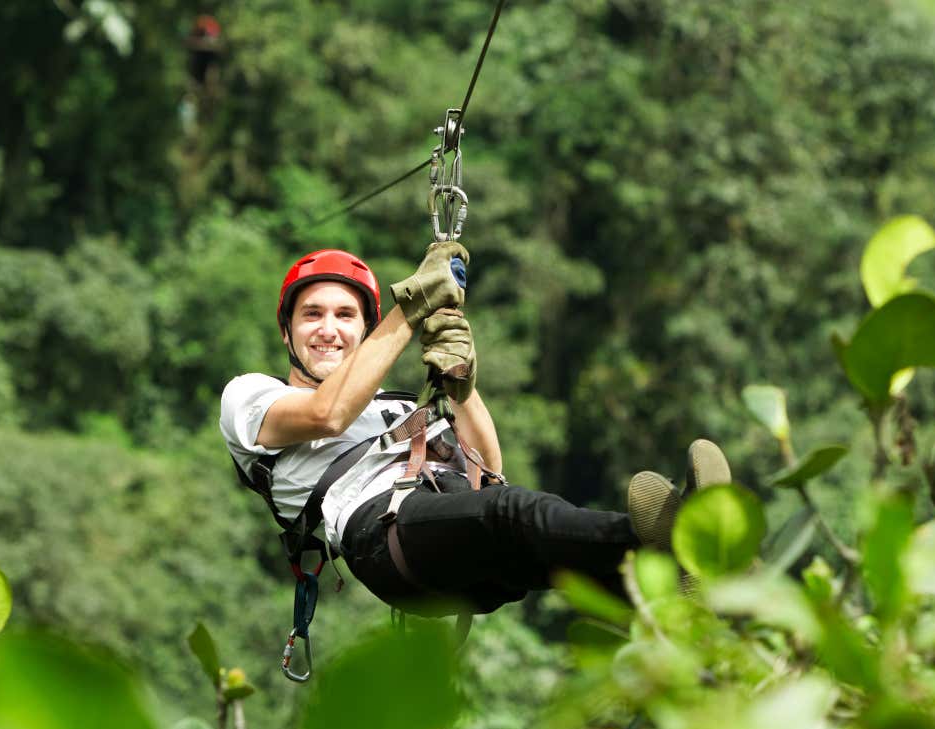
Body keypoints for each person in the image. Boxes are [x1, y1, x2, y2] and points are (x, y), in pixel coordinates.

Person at [220, 244, 730, 615]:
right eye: (312, 315)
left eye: (344, 315)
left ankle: (687, 590)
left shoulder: (395, 406)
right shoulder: (251, 398)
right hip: (383, 536)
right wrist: (413, 308)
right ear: (287, 332)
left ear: (363, 331)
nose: (328, 329)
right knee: (516, 515)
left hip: (449, 532)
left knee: (538, 540)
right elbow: (325, 416)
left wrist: (461, 383)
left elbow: (489, 474)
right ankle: (678, 544)